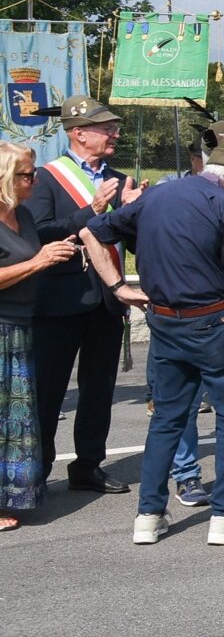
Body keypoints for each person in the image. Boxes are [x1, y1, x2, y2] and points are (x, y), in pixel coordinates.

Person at [88, 137, 224, 545]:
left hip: (165, 322)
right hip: (214, 322)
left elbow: (92, 230)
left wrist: (118, 285)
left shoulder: (160, 195)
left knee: (168, 418)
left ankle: (149, 515)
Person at [25, 96, 144, 496]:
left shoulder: (120, 178)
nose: (115, 133)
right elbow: (38, 233)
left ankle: (88, 465)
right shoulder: (45, 178)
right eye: (106, 128)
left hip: (106, 301)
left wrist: (132, 212)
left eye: (114, 127)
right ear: (79, 133)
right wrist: (89, 210)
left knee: (98, 390)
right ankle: (36, 473)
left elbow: (127, 240)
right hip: (58, 301)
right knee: (48, 391)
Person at [0, 143, 84, 530]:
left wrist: (52, 253)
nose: (33, 181)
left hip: (20, 327)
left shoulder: (24, 216)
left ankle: (10, 496)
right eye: (25, 175)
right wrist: (37, 262)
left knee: (13, 422)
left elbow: (32, 259)